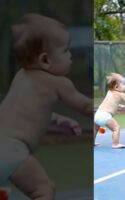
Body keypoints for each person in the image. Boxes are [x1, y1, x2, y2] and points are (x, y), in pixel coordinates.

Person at [0, 13, 93, 199]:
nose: (71, 56)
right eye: (65, 50)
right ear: (45, 60)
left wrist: (58, 119)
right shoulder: (58, 82)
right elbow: (85, 106)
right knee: (43, 189)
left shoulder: (21, 77)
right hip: (11, 149)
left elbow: (24, 113)